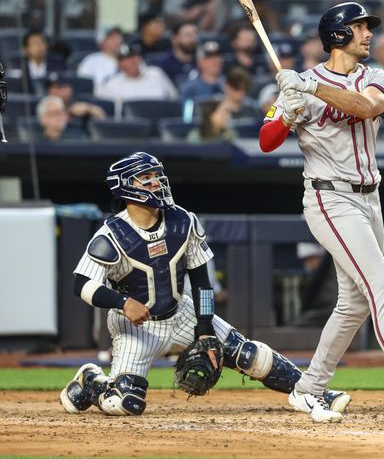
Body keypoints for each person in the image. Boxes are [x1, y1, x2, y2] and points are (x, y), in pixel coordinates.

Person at [259, 2, 384, 423]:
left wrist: (309, 92)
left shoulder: (375, 77)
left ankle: (308, 388)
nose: (368, 34)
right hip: (330, 198)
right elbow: (266, 140)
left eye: (367, 27)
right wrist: (287, 112)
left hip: (370, 197)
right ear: (338, 35)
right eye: (360, 27)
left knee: (353, 304)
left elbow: (365, 108)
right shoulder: (299, 83)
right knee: (380, 287)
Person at [59, 152, 351, 416]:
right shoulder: (112, 234)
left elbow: (202, 282)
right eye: (146, 178)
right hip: (136, 327)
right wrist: (123, 303)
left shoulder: (183, 221)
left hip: (180, 311)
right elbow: (81, 284)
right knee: (125, 403)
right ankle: (92, 380)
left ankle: (314, 392)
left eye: (156, 176)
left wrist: (205, 329)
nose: (155, 183)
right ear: (125, 187)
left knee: (248, 354)